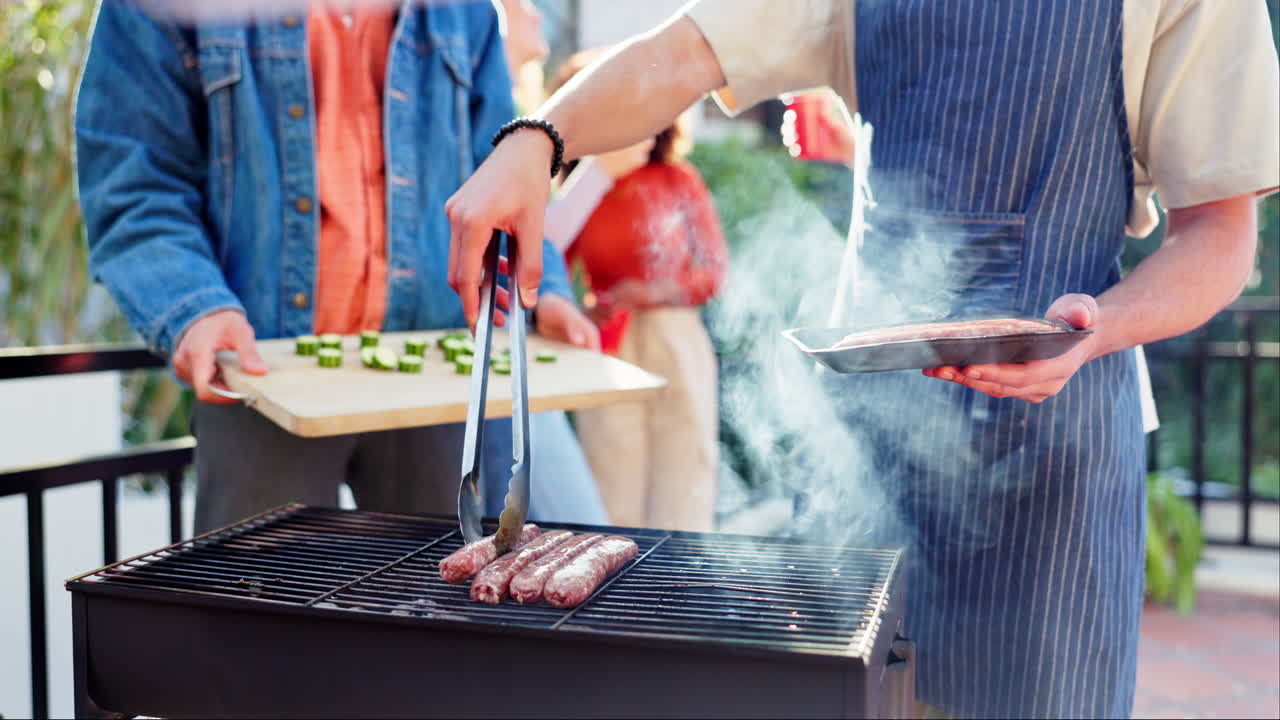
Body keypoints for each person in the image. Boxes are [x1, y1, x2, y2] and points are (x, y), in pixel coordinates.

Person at [442, 1, 1279, 717]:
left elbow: (1220, 233)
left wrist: (1102, 325)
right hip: (864, 444)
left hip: (1056, 454)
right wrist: (538, 137)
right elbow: (686, 50)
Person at [75, 0, 606, 534]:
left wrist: (544, 291)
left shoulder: (465, 11)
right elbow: (134, 183)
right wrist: (194, 308)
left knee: (430, 598)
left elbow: (499, 174)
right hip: (264, 375)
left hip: (432, 377)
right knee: (261, 602)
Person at [538, 50, 728, 532]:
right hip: (611, 345)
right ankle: (610, 590)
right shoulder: (582, 186)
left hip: (676, 339)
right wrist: (584, 308)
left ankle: (681, 587)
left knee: (685, 467)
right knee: (611, 469)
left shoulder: (677, 180)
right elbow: (548, 260)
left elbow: (713, 273)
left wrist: (652, 292)